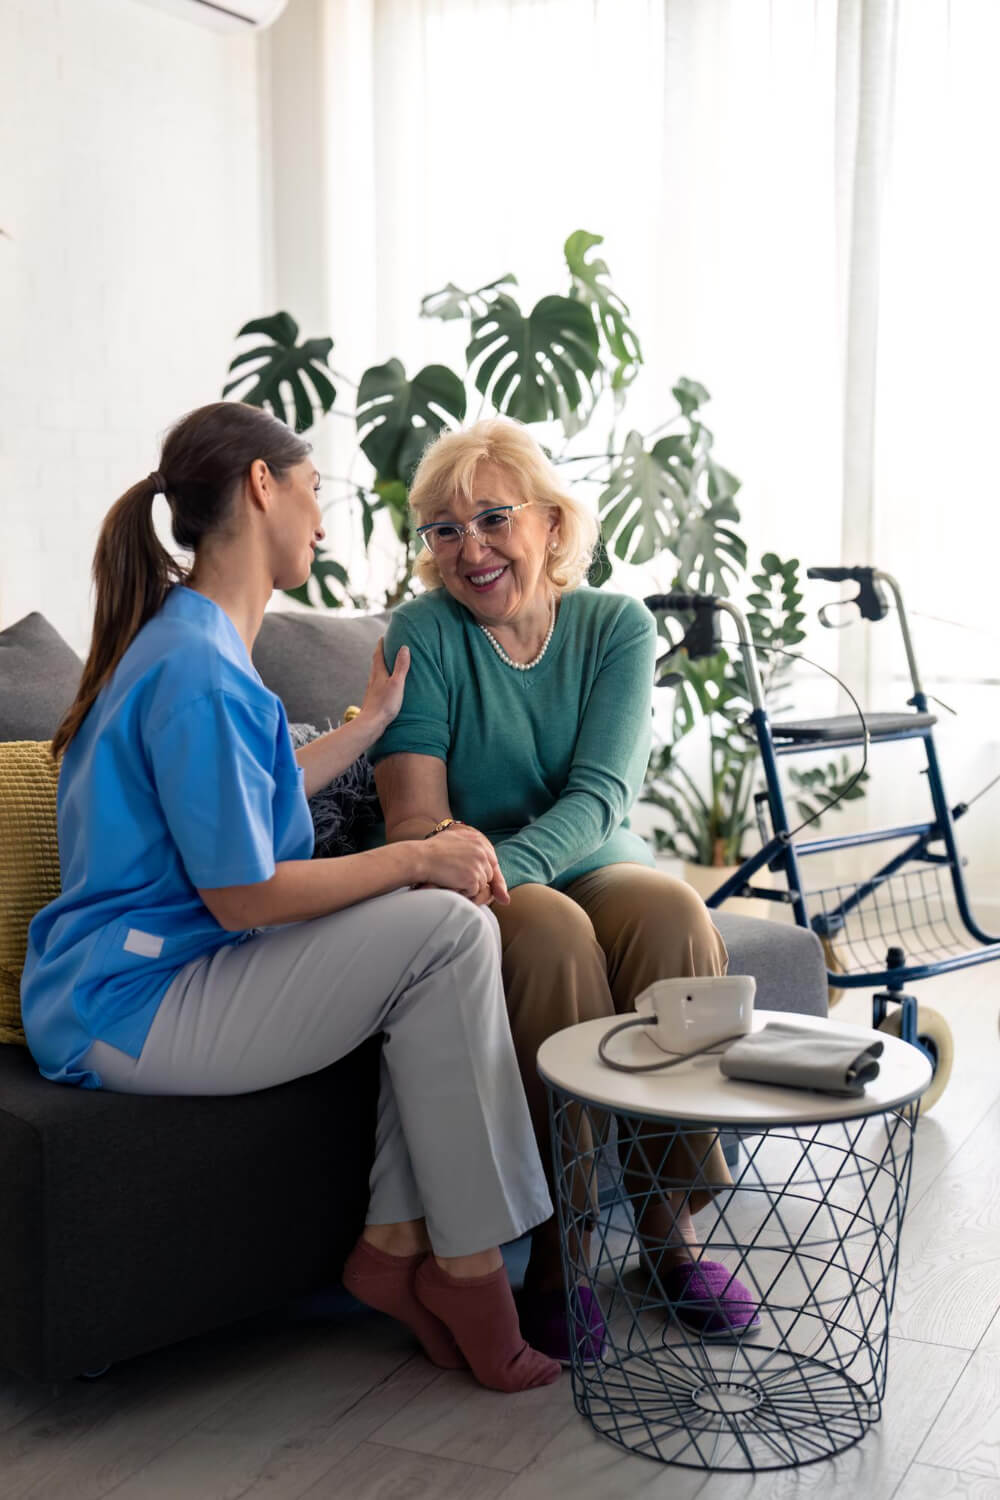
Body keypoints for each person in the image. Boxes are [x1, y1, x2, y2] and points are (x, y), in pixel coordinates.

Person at [20, 401, 560, 1393]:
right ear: (262, 486)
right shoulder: (196, 666)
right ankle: (470, 1272)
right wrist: (413, 859)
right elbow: (244, 895)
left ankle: (405, 1254)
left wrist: (370, 724)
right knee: (440, 927)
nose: (321, 519)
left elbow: (242, 800)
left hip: (152, 982)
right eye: (312, 489)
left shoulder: (196, 643)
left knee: (436, 947)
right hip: (131, 1007)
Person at [370, 417, 759, 1359]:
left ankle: (672, 1230)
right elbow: (415, 819)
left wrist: (517, 860)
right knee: (544, 934)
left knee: (669, 911)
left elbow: (601, 795)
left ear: (549, 524)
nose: (472, 549)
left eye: (494, 519)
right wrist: (480, 866)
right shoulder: (421, 633)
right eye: (445, 530)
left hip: (588, 850)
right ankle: (561, 1247)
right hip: (481, 877)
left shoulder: (615, 625)